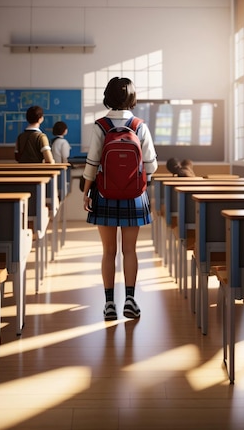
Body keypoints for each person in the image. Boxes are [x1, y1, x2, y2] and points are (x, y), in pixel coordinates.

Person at [82, 77, 158, 321]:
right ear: (132, 98)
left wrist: (86, 192)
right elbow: (152, 165)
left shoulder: (100, 125)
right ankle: (130, 300)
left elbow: (92, 163)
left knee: (108, 251)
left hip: (104, 193)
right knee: (130, 250)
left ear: (108, 96)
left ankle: (108, 305)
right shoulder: (139, 125)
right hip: (134, 195)